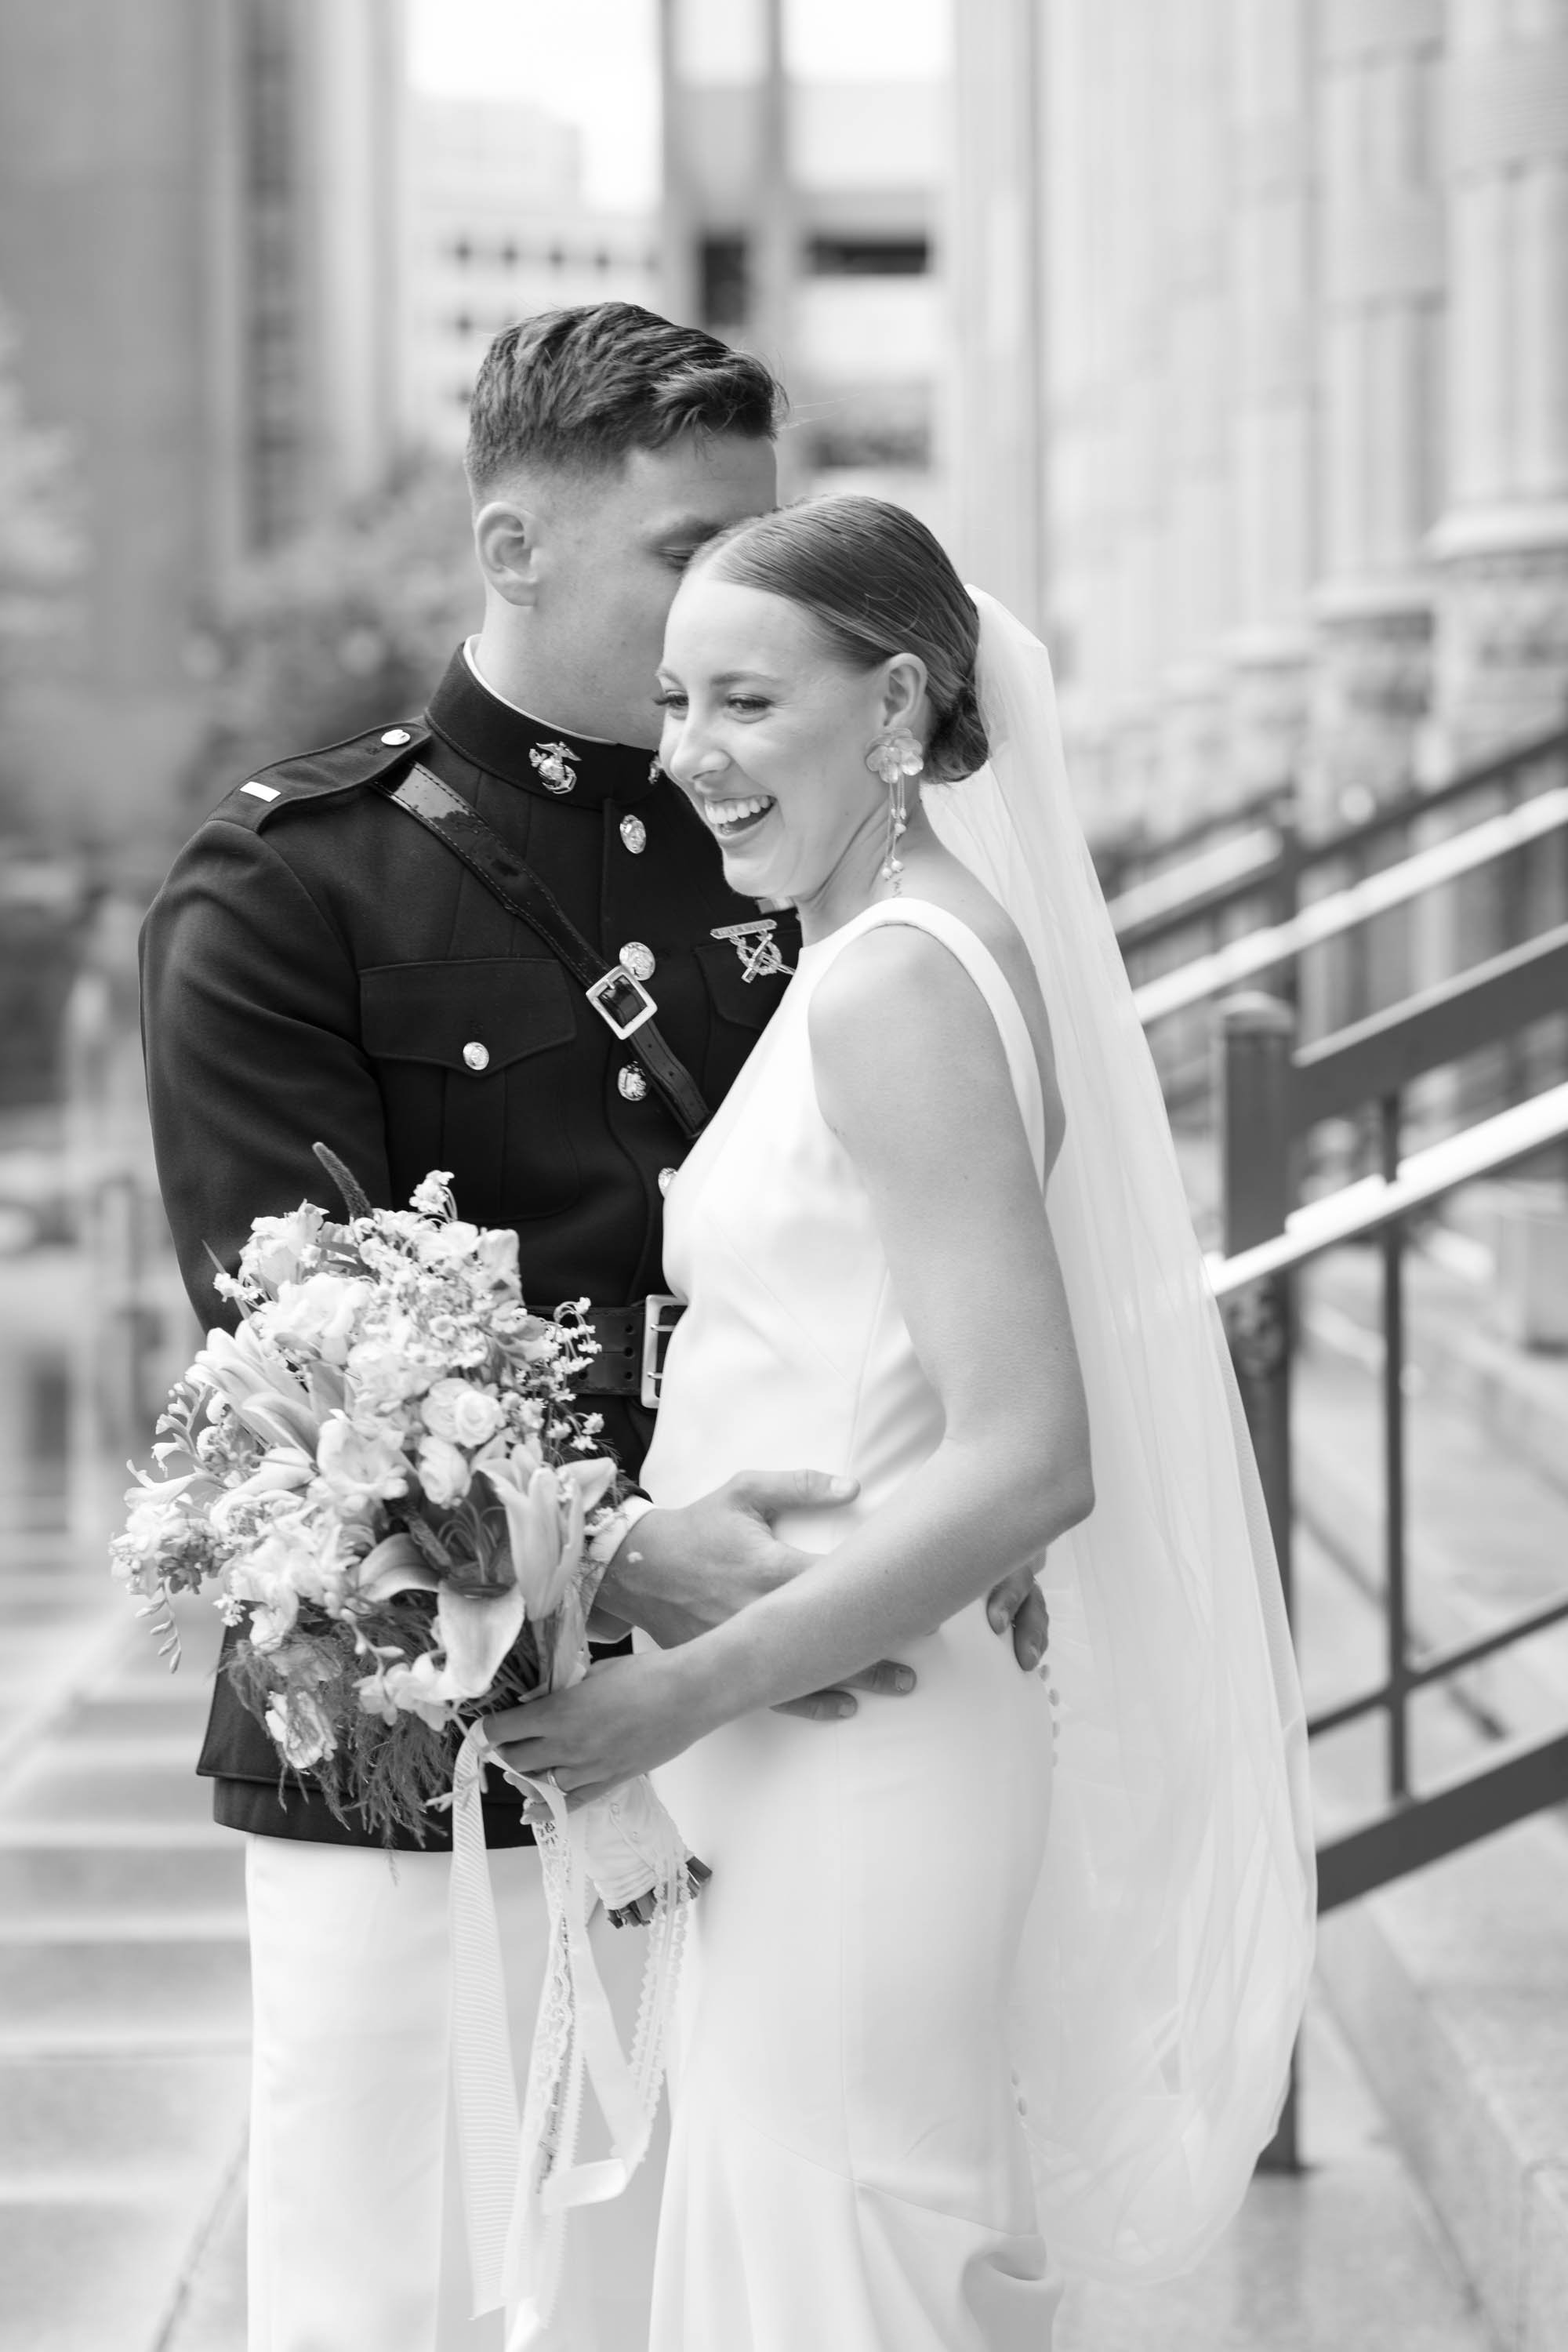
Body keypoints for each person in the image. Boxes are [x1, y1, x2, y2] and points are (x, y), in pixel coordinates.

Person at [139, 306, 1046, 2352]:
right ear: (516, 547)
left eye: (762, 537)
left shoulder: (799, 851)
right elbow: (290, 1381)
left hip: (774, 1728)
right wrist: (634, 1557)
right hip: (419, 1754)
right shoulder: (298, 888)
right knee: (404, 2303)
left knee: (677, 2304)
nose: (734, 594)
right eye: (682, 549)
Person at [495, 496, 1319, 2350]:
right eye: (677, 700)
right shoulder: (908, 944)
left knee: (837, 2275)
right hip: (820, 1717)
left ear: (892, 706)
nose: (690, 756)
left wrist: (677, 1690)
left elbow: (1032, 1451)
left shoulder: (892, 988)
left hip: (844, 1746)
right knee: (817, 2261)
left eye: (746, 704)